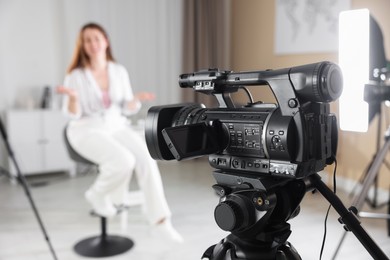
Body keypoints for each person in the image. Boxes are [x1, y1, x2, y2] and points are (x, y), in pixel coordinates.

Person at [57, 22, 183, 243]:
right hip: (85, 128)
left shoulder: (118, 71)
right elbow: (72, 115)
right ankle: (97, 193)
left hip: (116, 125)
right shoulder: (75, 75)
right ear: (83, 46)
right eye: (87, 40)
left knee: (146, 159)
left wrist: (134, 101)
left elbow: (125, 107)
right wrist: (74, 99)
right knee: (123, 160)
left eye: (96, 38)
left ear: (106, 41)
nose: (93, 43)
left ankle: (161, 221)